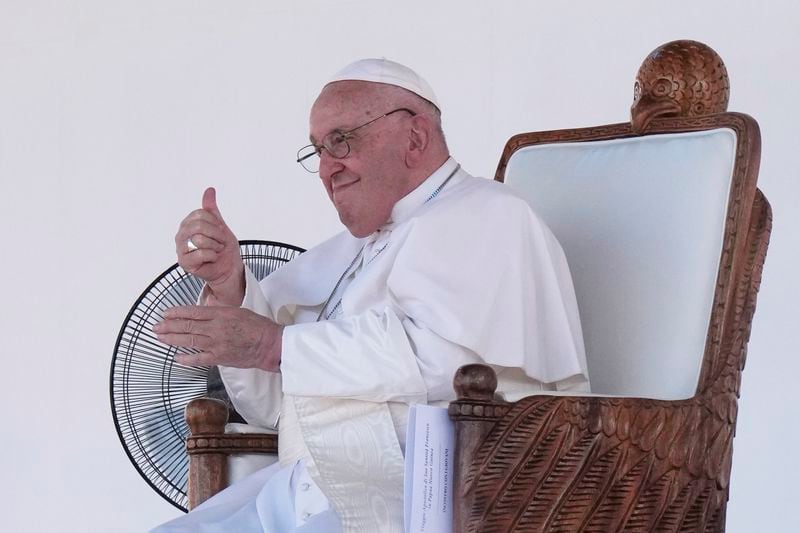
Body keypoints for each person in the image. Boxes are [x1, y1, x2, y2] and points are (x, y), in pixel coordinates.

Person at [152, 58, 589, 532]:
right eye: (317, 151)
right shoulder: (350, 251)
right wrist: (231, 285)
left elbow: (452, 362)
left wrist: (274, 345)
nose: (326, 168)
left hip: (431, 495)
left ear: (415, 136)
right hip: (308, 486)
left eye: (341, 141)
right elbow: (277, 407)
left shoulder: (491, 216)